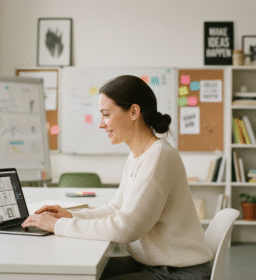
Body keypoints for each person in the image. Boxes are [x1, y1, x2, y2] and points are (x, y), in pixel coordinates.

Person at [22, 75, 213, 279]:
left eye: (106, 114)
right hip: (155, 263)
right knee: (79, 272)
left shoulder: (158, 157)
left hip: (179, 272)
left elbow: (125, 229)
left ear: (133, 112)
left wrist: (57, 225)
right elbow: (116, 208)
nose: (101, 124)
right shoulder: (138, 154)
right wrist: (70, 216)